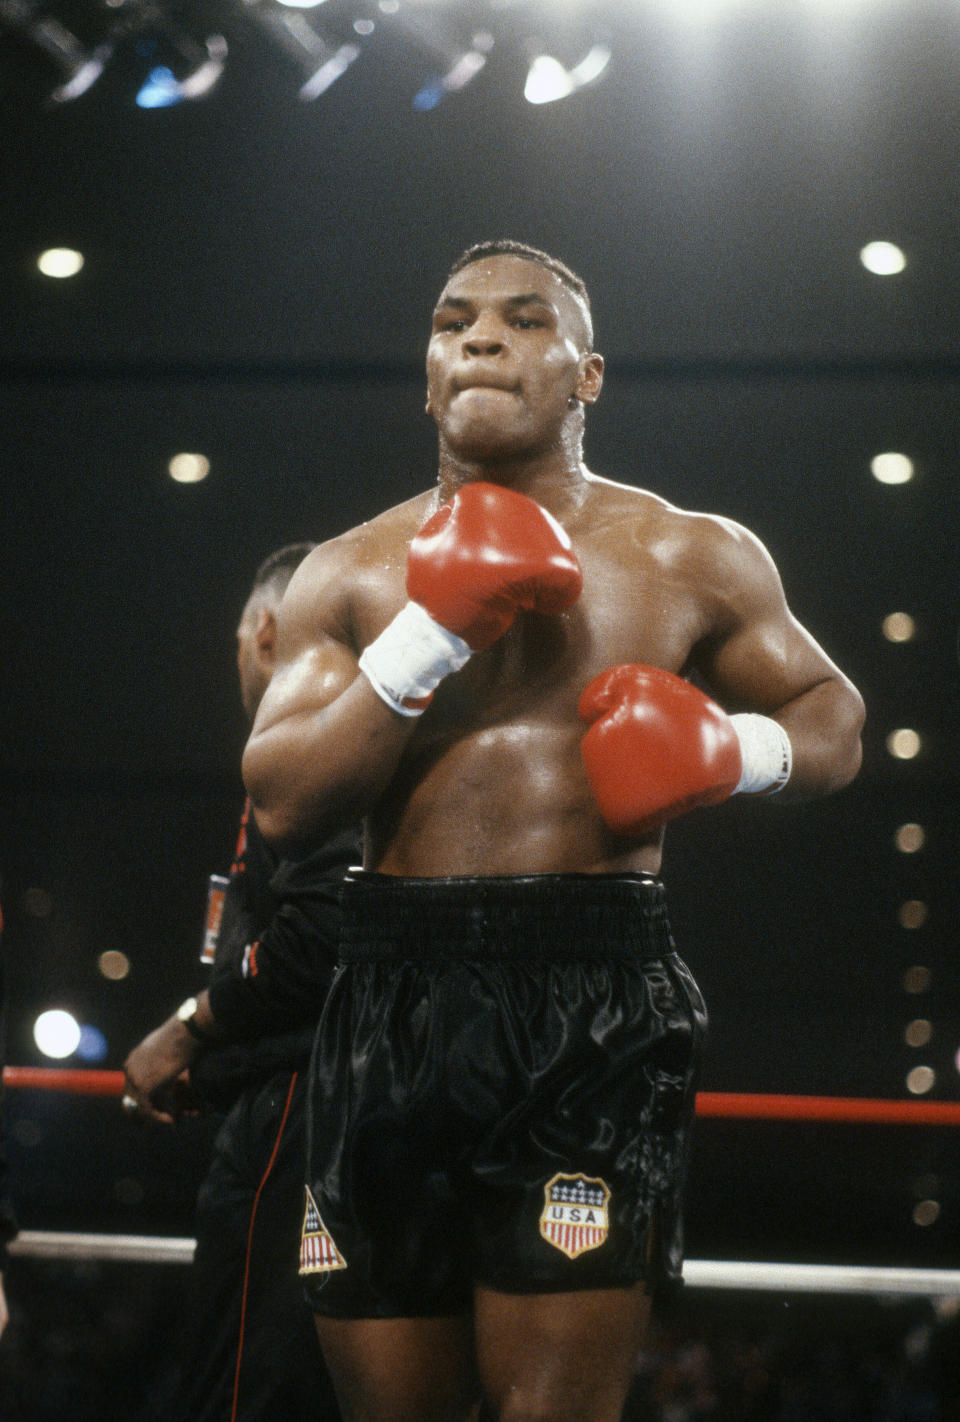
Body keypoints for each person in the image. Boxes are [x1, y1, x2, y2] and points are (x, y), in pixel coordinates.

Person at [241, 239, 866, 1422]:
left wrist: (733, 755)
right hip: (389, 999)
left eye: (526, 321)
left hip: (591, 1000)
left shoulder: (691, 552)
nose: (480, 337)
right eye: (454, 322)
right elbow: (283, 800)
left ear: (588, 375)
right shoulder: (348, 574)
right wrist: (430, 634)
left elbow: (834, 720)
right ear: (427, 374)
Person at [123, 544, 357, 1421]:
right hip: (306, 1099)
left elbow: (321, 941)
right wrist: (215, 1069)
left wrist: (188, 1028)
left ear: (264, 632)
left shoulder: (316, 744)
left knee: (247, 1387)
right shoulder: (353, 734)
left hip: (303, 1120)